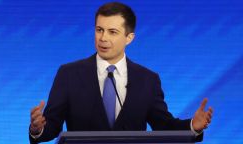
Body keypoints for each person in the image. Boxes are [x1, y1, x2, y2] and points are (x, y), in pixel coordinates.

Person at [29, 2, 213, 143]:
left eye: (112, 32)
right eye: (99, 30)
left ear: (129, 38)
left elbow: (163, 125)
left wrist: (192, 126)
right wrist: (37, 129)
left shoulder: (147, 80)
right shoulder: (69, 74)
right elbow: (52, 126)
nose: (103, 38)